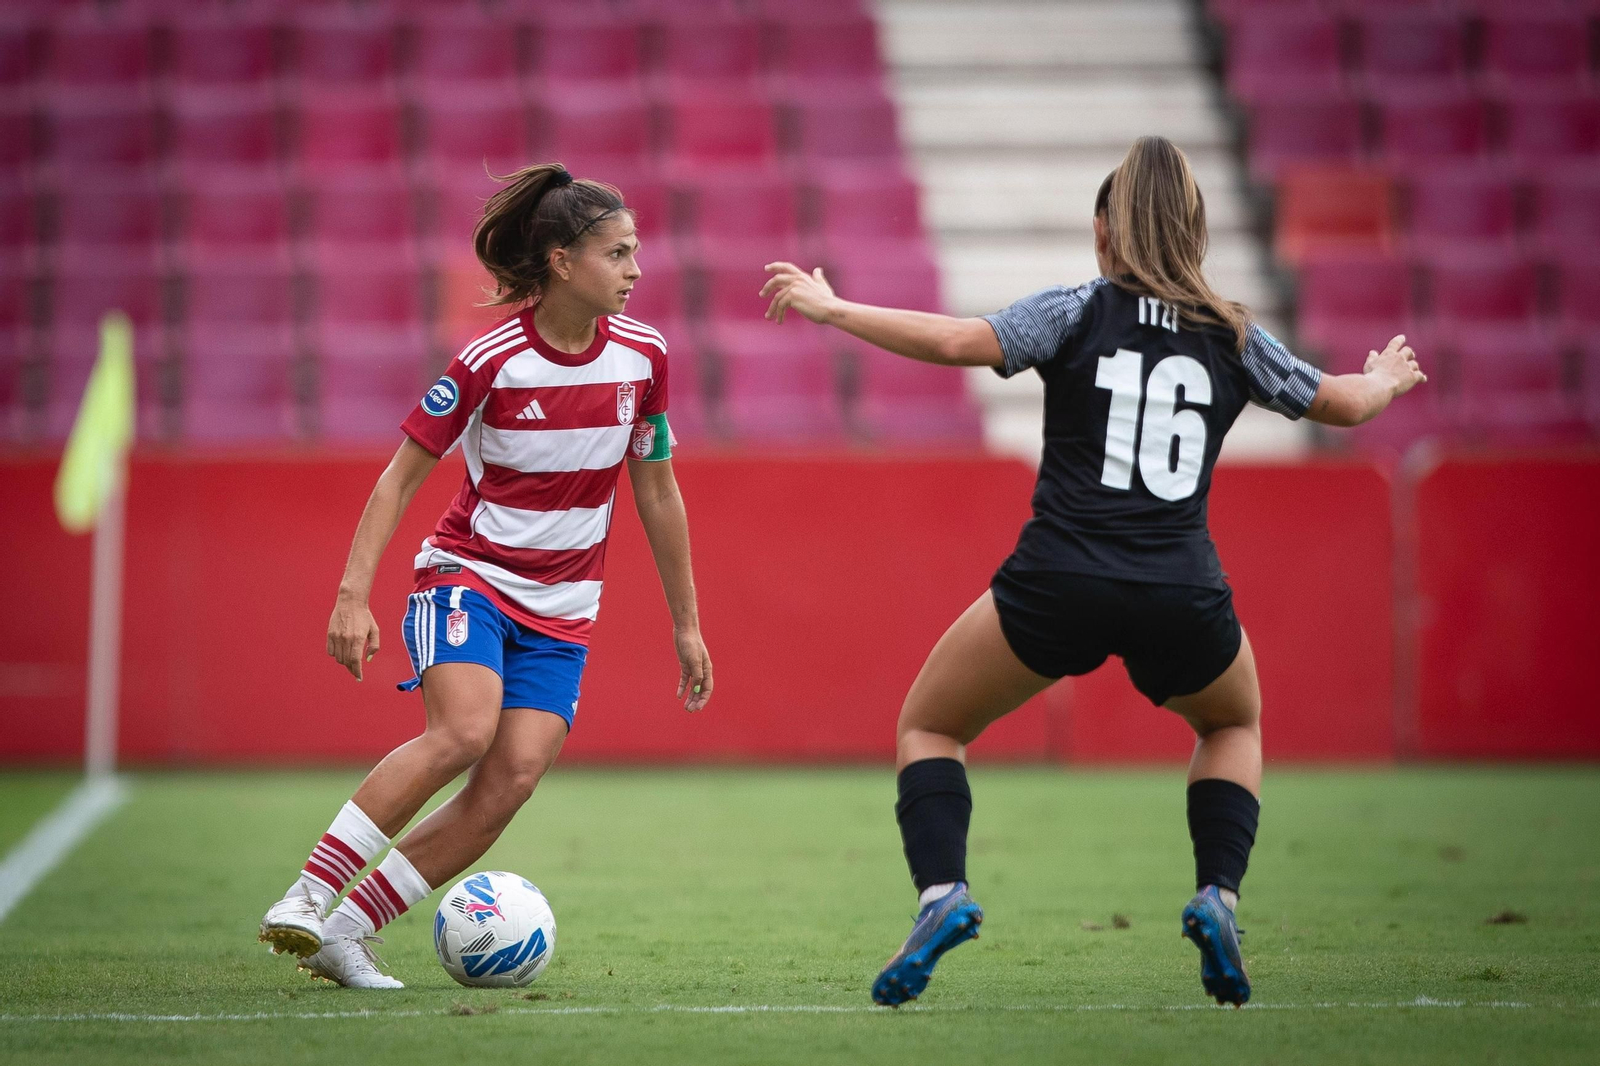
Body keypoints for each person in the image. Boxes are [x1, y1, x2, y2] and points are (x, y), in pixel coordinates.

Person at [760, 136, 1425, 1008]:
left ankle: (943, 893)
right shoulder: (1233, 334)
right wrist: (1385, 379)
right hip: (1181, 588)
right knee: (1232, 724)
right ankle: (1218, 896)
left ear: (1107, 230)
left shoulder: (1076, 309)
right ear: (1196, 231)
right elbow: (1340, 402)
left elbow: (960, 340)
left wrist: (836, 309)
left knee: (929, 726)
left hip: (1060, 578)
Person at [258, 164, 712, 988]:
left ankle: (344, 935)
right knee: (465, 733)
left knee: (511, 780)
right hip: (469, 578)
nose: (636, 270)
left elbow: (657, 488)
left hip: (565, 608)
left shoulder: (646, 356)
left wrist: (687, 623)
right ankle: (306, 896)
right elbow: (399, 478)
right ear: (563, 262)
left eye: (636, 251)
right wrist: (352, 596)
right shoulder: (490, 360)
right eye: (618, 254)